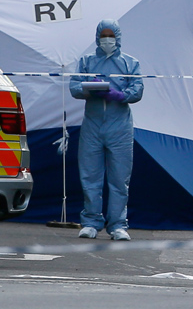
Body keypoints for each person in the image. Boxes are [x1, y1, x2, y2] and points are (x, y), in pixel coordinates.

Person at [69, 19, 144, 241]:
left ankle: (118, 225)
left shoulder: (130, 64)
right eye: (104, 35)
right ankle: (91, 222)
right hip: (92, 125)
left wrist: (120, 95)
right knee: (90, 176)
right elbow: (73, 87)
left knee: (120, 178)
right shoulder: (86, 62)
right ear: (97, 37)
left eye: (111, 36)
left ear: (118, 37)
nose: (107, 40)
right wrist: (90, 88)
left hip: (120, 127)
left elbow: (137, 89)